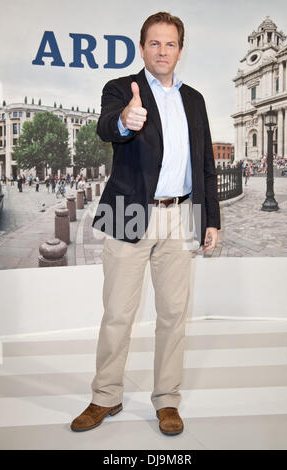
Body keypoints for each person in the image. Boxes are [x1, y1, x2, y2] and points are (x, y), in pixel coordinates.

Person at [71, 11, 220, 436]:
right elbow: (106, 126)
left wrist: (210, 217)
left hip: (183, 211)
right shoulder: (121, 89)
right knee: (118, 311)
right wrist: (125, 120)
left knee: (174, 313)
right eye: (154, 43)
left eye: (170, 44)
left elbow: (205, 163)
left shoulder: (194, 99)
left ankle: (167, 401)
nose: (162, 51)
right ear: (142, 48)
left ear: (179, 50)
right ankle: (105, 396)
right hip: (128, 208)